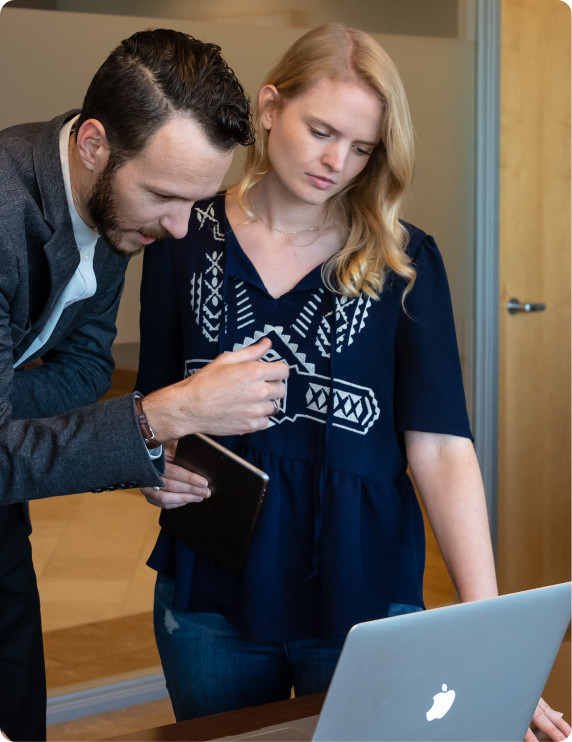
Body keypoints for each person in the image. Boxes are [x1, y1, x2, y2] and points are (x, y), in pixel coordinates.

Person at [136, 24, 571, 742]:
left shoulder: (405, 263)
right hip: (209, 593)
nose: (337, 161)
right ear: (270, 108)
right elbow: (151, 409)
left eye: (362, 147)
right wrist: (151, 466)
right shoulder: (184, 237)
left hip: (360, 599)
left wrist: (489, 630)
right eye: (321, 130)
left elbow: (440, 450)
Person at [0, 29, 288, 742]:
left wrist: (12, 419)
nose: (180, 226)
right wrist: (162, 416)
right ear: (93, 143)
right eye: (162, 194)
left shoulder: (119, 207)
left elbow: (87, 368)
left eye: (197, 200)